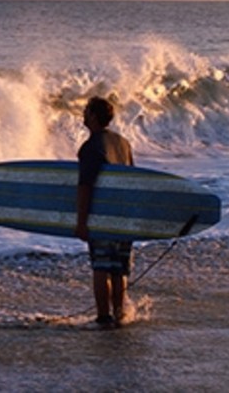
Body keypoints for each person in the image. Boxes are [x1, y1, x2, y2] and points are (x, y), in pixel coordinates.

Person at [74, 96, 135, 328]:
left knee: (101, 267)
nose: (83, 114)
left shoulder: (91, 147)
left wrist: (81, 222)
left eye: (86, 110)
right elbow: (134, 181)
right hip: (124, 218)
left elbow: (85, 186)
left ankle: (103, 317)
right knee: (119, 269)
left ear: (93, 116)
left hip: (102, 216)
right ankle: (120, 315)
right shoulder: (123, 143)